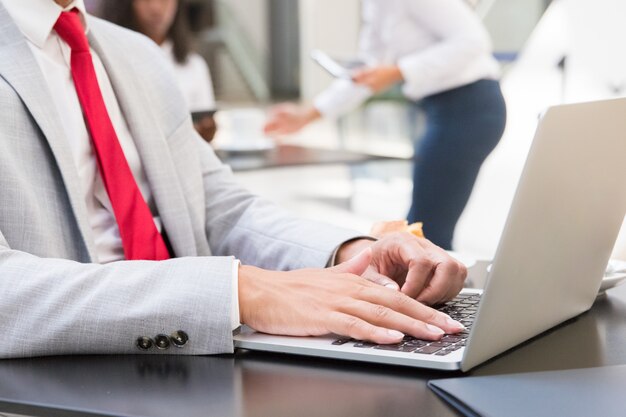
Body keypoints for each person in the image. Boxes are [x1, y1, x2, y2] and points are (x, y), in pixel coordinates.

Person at [0, 0, 466, 358]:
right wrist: (239, 291)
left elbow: (221, 208)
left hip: (200, 357)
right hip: (69, 376)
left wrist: (354, 256)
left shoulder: (134, 54)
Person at [265, 0, 507, 250]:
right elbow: (369, 71)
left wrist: (398, 71)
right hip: (445, 109)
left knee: (426, 230)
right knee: (423, 227)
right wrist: (307, 115)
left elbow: (473, 41)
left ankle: (437, 285)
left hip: (471, 109)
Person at [101, 0, 218, 142]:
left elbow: (204, 124)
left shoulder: (194, 66)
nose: (156, 8)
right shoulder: (108, 62)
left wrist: (206, 131)